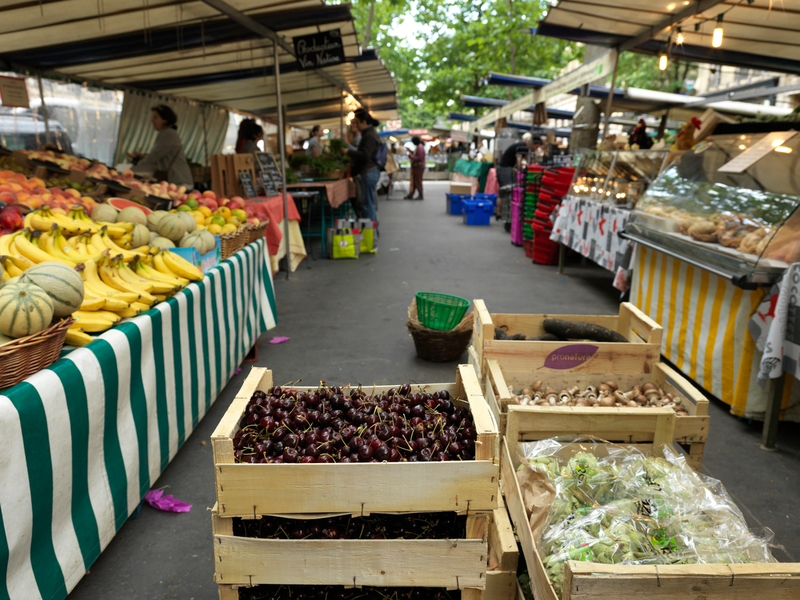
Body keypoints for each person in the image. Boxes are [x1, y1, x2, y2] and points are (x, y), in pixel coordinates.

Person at [130, 104, 193, 188]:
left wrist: (135, 167)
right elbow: (160, 155)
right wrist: (141, 157)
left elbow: (155, 156)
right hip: (176, 181)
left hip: (180, 181)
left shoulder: (169, 134)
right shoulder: (165, 133)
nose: (152, 120)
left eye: (155, 117)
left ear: (165, 120)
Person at [341, 108, 381, 237]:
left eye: (356, 122)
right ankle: (373, 232)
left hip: (369, 172)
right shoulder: (369, 133)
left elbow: (364, 155)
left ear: (363, 122)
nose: (355, 125)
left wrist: (348, 152)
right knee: (368, 204)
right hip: (368, 172)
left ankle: (371, 234)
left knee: (367, 205)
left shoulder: (369, 135)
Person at [405, 136, 425, 200]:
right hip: (416, 167)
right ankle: (411, 194)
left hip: (419, 167)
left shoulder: (420, 147)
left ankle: (420, 194)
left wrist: (411, 157)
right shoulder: (419, 147)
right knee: (414, 181)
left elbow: (419, 158)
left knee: (418, 181)